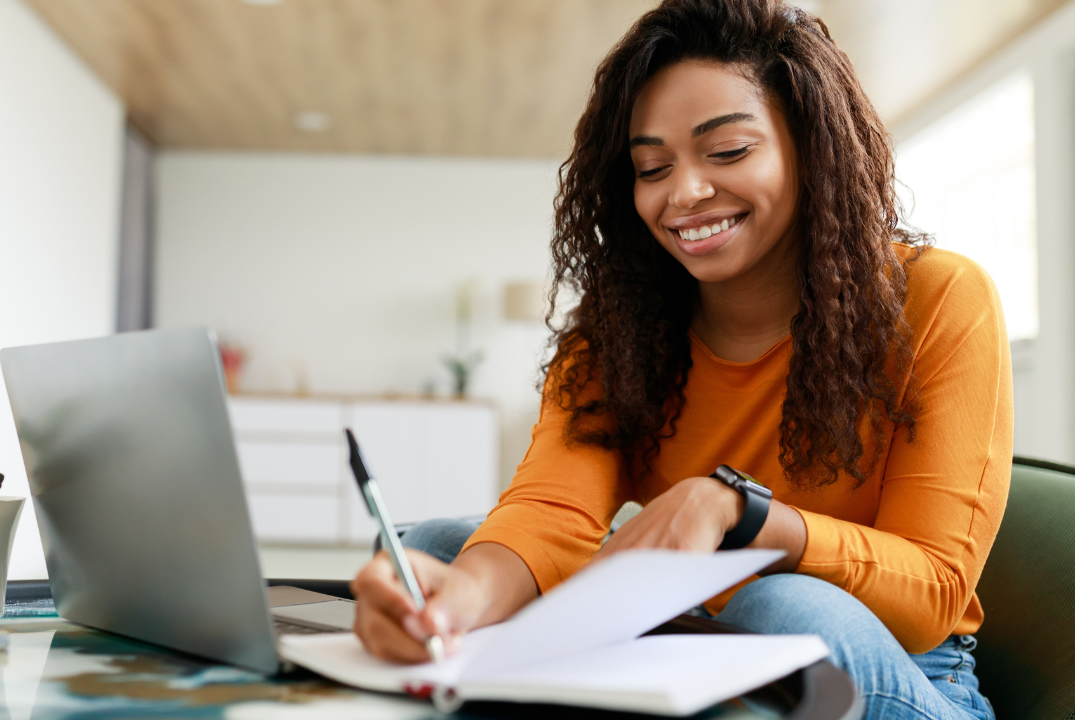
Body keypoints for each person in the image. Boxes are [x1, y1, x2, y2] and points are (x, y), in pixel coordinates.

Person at [351, 1, 1011, 718]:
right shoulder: (619, 330)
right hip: (690, 644)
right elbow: (551, 507)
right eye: (652, 166)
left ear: (811, 147)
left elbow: (934, 594)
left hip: (894, 668)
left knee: (785, 607)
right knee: (445, 549)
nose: (684, 193)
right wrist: (460, 601)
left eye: (727, 152)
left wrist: (740, 511)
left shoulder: (942, 298)